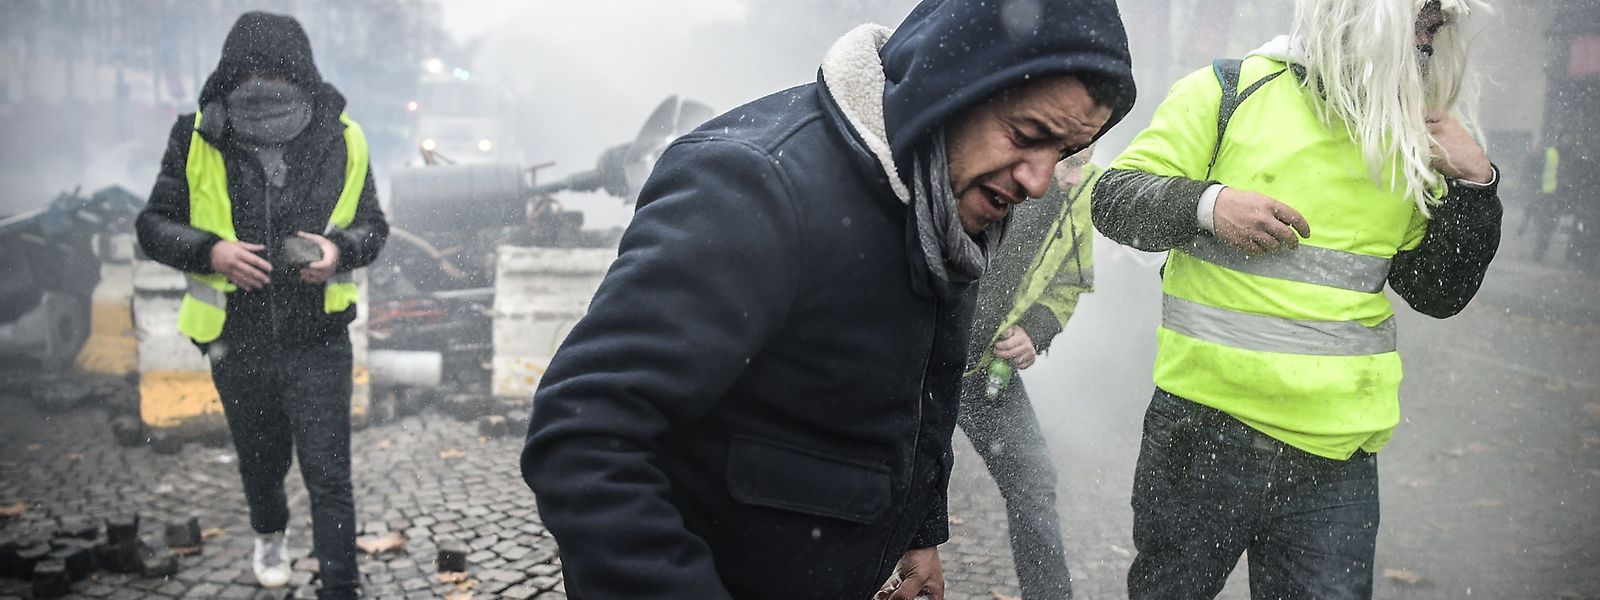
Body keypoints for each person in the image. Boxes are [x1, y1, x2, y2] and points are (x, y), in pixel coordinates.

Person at [519, 1, 1135, 598]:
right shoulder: (756, 182)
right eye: (1026, 135)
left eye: (1063, 152)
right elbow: (585, 433)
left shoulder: (947, 198)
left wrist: (917, 531)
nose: (1037, 180)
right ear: (950, 86)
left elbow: (929, 386)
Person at [1091, 0, 1501, 597]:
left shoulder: (1410, 133)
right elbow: (1116, 198)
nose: (1426, 42)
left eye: (1434, 28)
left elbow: (1439, 292)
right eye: (1419, 19)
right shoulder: (1227, 90)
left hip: (1336, 461)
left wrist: (1477, 182)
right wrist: (1212, 205)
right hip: (1202, 435)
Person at [135, 12, 387, 599]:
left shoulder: (342, 136)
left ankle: (340, 588)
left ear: (300, 72)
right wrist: (211, 251)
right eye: (250, 70)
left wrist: (338, 249)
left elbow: (373, 227)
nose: (263, 82)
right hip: (236, 338)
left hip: (319, 338)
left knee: (330, 477)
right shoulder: (195, 135)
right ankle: (269, 531)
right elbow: (153, 226)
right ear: (229, 74)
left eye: (276, 70)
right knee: (261, 459)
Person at [958, 147, 1101, 600]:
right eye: (1067, 161)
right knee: (887, 481)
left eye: (1082, 165)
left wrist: (1034, 332)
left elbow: (1071, 283)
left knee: (1033, 480)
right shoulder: (994, 167)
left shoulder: (1082, 192)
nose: (1072, 177)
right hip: (924, 363)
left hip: (986, 373)